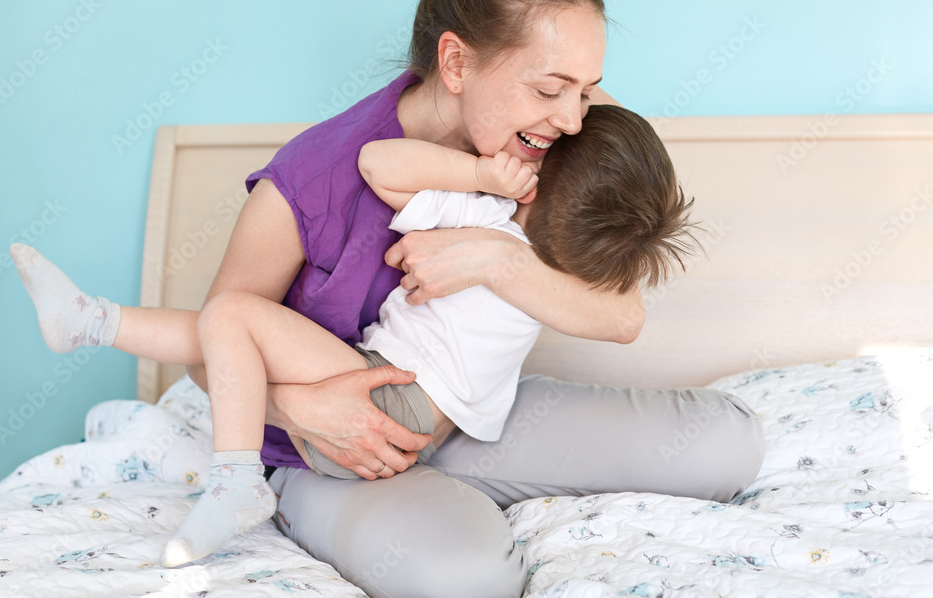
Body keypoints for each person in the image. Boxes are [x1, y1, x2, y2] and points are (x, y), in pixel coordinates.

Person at [10, 0, 765, 595]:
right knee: (464, 578)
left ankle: (450, 486)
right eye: (551, 88)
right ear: (456, 62)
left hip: (473, 408)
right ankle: (345, 492)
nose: (574, 115)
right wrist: (302, 410)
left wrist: (497, 261)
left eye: (588, 88)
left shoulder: (558, 134)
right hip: (327, 441)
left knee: (726, 447)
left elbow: (623, 312)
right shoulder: (312, 178)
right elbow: (216, 348)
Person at [138, 103, 698, 566]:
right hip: (399, 415)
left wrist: (484, 180)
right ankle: (103, 322)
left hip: (387, 394)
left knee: (229, 316)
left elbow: (377, 162)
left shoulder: (487, 217)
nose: (570, 107)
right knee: (226, 326)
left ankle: (234, 476)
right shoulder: (569, 273)